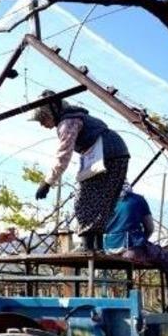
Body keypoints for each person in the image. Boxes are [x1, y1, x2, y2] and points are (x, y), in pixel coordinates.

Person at [31, 90, 130, 250]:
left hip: (107, 155)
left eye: (43, 119)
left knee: (83, 200)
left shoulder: (67, 123)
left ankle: (88, 246)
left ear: (52, 113)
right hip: (117, 154)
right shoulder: (77, 117)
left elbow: (63, 155)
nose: (43, 124)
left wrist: (47, 182)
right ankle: (96, 246)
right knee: (100, 201)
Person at [103, 184, 168, 312]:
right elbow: (150, 228)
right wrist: (142, 240)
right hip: (132, 250)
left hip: (107, 250)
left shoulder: (103, 201)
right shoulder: (137, 200)